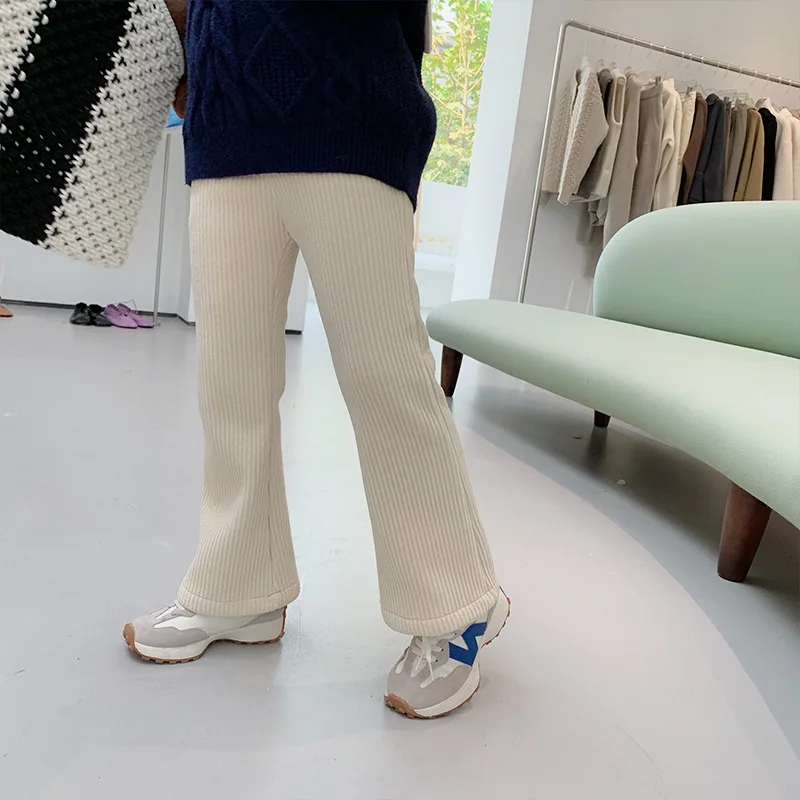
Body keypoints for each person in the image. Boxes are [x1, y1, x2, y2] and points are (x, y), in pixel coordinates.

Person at [124, 0, 508, 720]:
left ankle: (456, 605)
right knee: (229, 384)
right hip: (225, 125)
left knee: (384, 378)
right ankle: (239, 587)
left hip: (350, 116)